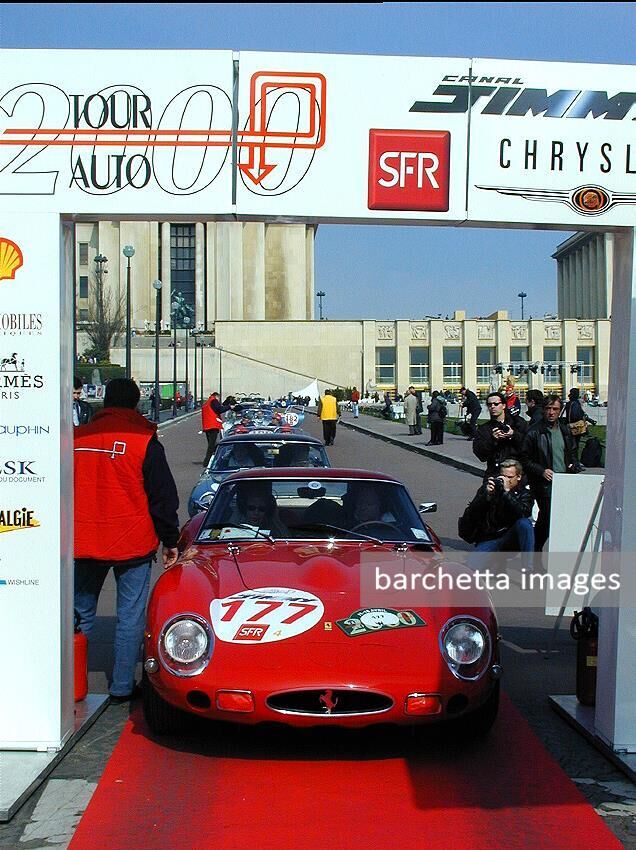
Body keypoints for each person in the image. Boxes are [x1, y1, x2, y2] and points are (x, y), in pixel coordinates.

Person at [73, 378, 179, 702]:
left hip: (83, 540)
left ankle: (69, 682)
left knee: (79, 614)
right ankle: (121, 686)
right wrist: (170, 540)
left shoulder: (76, 437)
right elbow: (162, 497)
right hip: (132, 541)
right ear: (135, 404)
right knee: (130, 616)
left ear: (105, 401)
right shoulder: (144, 440)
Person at [522, 393, 582, 552]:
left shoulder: (564, 430)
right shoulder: (534, 432)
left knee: (559, 518)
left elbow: (572, 452)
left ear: (560, 410)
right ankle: (536, 550)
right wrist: (541, 471)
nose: (551, 412)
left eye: (555, 409)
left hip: (564, 481)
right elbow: (524, 459)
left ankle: (540, 550)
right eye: (548, 408)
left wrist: (573, 465)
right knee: (547, 517)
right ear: (543, 409)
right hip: (543, 484)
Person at [458, 458, 535, 552]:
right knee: (474, 561)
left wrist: (507, 493)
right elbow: (472, 511)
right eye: (503, 476)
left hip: (512, 537)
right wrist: (487, 496)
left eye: (509, 477)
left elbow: (523, 513)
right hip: (491, 537)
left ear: (518, 477)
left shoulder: (525, 493)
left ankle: (528, 561)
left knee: (524, 523)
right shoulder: (490, 488)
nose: (505, 480)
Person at [473, 391, 527, 479]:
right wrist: (493, 440)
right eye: (489, 405)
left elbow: (529, 446)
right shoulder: (484, 429)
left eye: (496, 404)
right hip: (495, 472)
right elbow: (481, 455)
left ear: (504, 405)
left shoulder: (518, 423)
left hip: (517, 474)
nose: (492, 407)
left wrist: (513, 435)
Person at [201, 391, 233, 466]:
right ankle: (207, 461)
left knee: (211, 443)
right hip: (213, 425)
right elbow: (219, 409)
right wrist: (229, 407)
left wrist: (226, 404)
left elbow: (218, 407)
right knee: (211, 445)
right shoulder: (214, 401)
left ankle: (216, 458)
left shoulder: (207, 402)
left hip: (207, 425)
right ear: (216, 396)